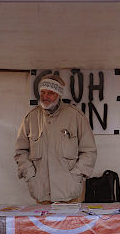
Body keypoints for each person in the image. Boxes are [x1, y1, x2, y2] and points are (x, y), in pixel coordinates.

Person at [14, 74, 97, 204]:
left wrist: (76, 175)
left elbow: (89, 151)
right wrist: (30, 176)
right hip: (41, 192)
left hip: (70, 192)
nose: (45, 96)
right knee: (43, 225)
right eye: (42, 92)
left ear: (58, 95)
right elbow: (21, 151)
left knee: (72, 224)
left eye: (50, 93)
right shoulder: (31, 118)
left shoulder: (76, 116)